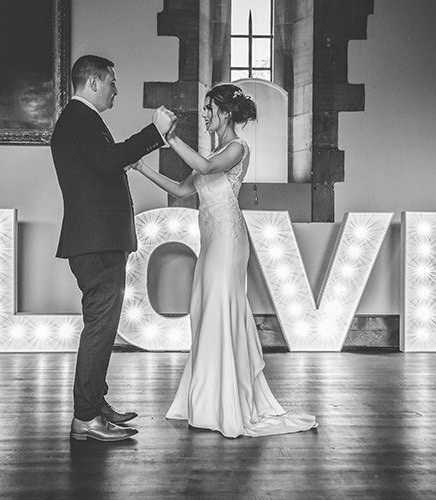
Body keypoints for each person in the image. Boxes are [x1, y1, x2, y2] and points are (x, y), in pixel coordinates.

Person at [132, 83, 318, 438]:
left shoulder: (236, 148)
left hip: (229, 241)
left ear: (226, 113)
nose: (204, 115)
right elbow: (182, 190)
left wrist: (169, 137)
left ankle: (225, 401)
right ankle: (207, 398)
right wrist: (141, 166)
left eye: (208, 109)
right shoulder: (215, 151)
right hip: (212, 241)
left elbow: (202, 164)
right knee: (205, 311)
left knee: (220, 309)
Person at [51, 55, 175, 442]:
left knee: (102, 328)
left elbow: (102, 163)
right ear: (92, 83)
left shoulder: (80, 120)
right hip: (96, 243)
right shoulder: (79, 119)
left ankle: (95, 404)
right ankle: (86, 419)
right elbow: (107, 161)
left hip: (97, 241)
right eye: (111, 84)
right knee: (100, 329)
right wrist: (154, 132)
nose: (116, 90)